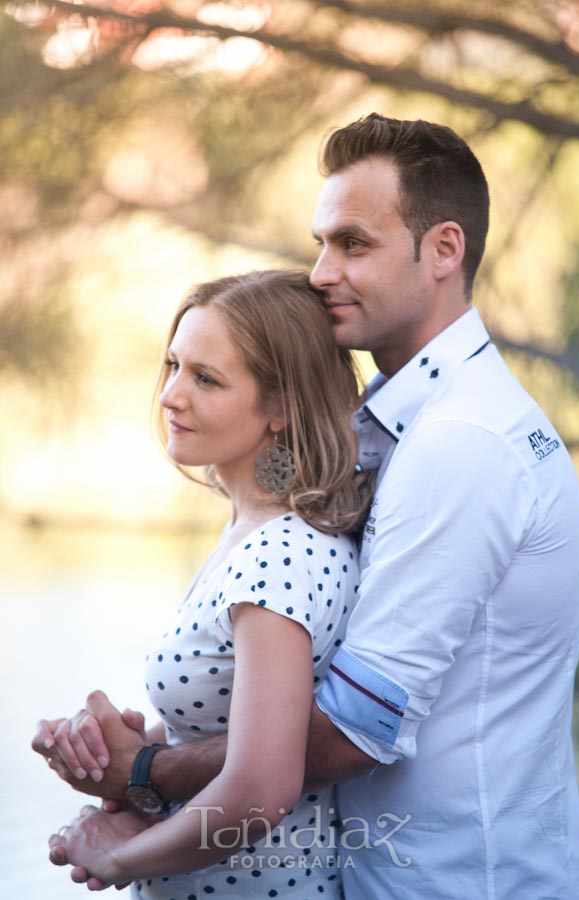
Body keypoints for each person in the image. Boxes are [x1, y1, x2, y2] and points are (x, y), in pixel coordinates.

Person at [35, 114, 579, 899]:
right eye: (320, 242)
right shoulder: (400, 426)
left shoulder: (460, 443)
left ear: (442, 249)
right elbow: (291, 682)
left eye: (353, 244)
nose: (322, 271)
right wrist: (155, 743)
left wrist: (140, 776)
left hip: (461, 882)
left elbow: (345, 734)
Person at [35, 269, 368, 897]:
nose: (170, 395)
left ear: (281, 408)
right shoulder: (254, 532)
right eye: (174, 365)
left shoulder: (279, 559)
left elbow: (261, 790)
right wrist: (123, 758)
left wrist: (122, 859)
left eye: (206, 378)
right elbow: (226, 729)